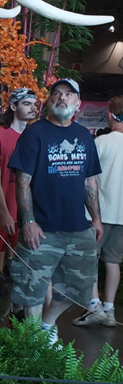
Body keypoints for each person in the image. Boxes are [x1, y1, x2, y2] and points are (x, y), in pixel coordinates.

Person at [8, 78, 103, 344]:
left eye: (69, 95)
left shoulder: (84, 136)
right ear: (49, 101)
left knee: (79, 291)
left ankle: (47, 325)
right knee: (32, 290)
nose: (62, 98)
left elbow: (89, 180)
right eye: (57, 94)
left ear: (78, 103)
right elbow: (23, 180)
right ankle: (36, 346)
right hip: (42, 229)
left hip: (78, 228)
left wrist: (95, 218)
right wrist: (27, 220)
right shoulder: (35, 133)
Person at [0, 89, 37, 300]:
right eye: (27, 103)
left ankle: (18, 312)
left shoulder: (35, 136)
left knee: (23, 263)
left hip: (24, 212)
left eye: (34, 103)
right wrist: (4, 212)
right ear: (13, 107)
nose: (33, 107)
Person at [73, 95, 123, 327]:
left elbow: (86, 178)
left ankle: (94, 306)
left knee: (90, 260)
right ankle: (110, 311)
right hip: (122, 218)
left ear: (111, 115)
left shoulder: (100, 143)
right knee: (113, 262)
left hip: (98, 216)